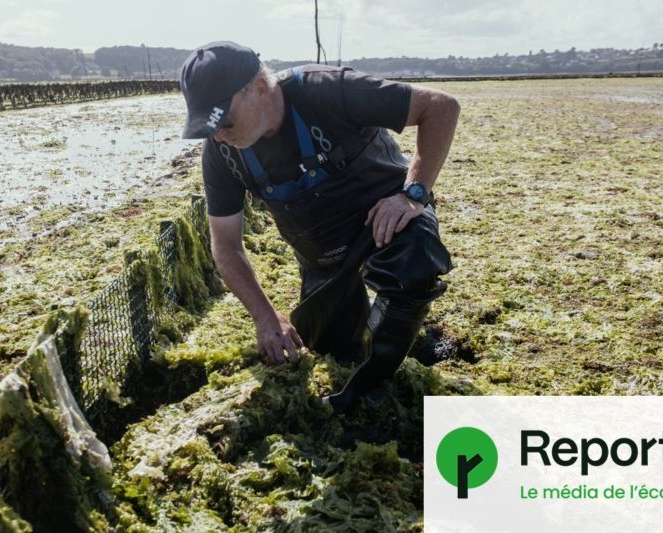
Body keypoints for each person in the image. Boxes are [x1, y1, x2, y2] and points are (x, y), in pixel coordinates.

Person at [179, 41, 459, 413]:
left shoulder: (327, 90)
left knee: (413, 267)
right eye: (206, 127)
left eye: (223, 121)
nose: (217, 135)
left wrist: (413, 194)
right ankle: (372, 323)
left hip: (388, 217)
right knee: (332, 347)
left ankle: (374, 381)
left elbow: (440, 107)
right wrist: (265, 317)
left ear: (259, 89)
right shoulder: (223, 155)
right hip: (325, 256)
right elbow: (226, 245)